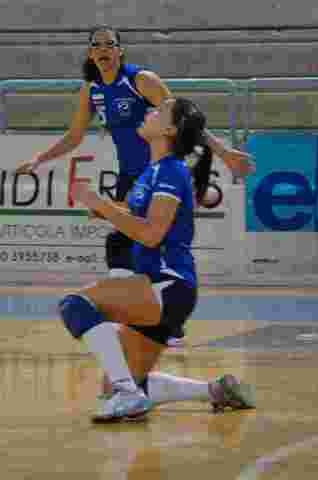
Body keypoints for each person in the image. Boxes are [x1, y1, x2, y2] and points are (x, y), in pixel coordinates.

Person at [15, 24, 254, 345]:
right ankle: (142, 317)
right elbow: (74, 136)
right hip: (130, 177)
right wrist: (39, 159)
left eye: (109, 44)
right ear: (90, 53)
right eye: (97, 45)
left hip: (159, 173)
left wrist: (223, 153)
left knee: (143, 243)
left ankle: (160, 320)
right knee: (122, 245)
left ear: (120, 51)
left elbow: (184, 119)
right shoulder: (92, 90)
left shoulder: (140, 80)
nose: (103, 50)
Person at [61, 96, 255, 422]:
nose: (150, 111)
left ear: (169, 129)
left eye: (160, 110)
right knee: (113, 385)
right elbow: (135, 216)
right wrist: (102, 208)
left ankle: (129, 394)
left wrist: (102, 204)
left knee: (76, 305)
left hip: (167, 284)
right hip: (164, 288)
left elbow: (151, 234)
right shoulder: (154, 171)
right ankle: (214, 391)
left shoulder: (170, 171)